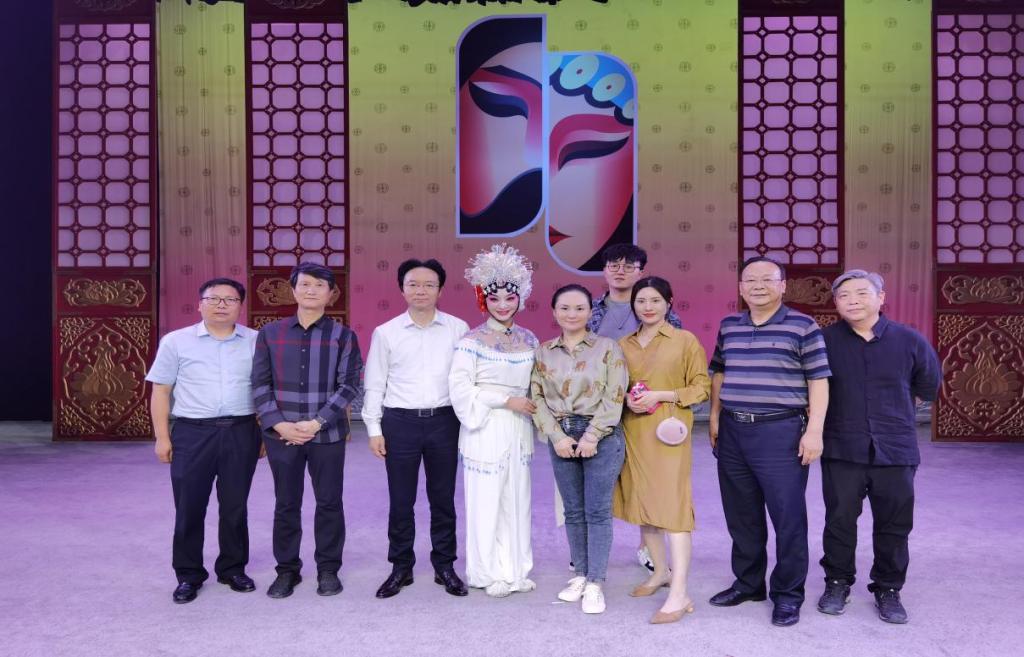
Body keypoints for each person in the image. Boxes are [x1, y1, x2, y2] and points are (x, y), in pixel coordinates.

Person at [708, 257, 831, 627]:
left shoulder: (803, 326)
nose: (758, 286)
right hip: (733, 430)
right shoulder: (729, 325)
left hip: (780, 432)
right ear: (741, 287)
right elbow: (719, 371)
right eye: (750, 280)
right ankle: (749, 584)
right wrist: (714, 417)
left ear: (782, 286)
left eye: (767, 279)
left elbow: (818, 380)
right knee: (741, 514)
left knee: (787, 517)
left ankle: (788, 595)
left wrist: (814, 431)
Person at [816, 270, 940, 624]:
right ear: (836, 303)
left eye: (862, 293)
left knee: (894, 523)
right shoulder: (823, 341)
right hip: (841, 447)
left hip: (896, 448)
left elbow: (928, 385)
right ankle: (837, 583)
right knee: (839, 520)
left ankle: (888, 588)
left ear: (881, 297)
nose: (853, 300)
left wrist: (895, 409)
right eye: (844, 295)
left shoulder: (909, 340)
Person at [252, 262, 363, 599]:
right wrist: (279, 423)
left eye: (319, 285)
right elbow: (259, 383)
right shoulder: (270, 334)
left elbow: (349, 386)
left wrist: (317, 422)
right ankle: (287, 570)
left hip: (326, 434)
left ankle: (328, 569)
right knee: (286, 503)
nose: (311, 290)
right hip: (282, 435)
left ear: (331, 294)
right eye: (305, 284)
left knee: (329, 502)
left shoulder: (344, 336)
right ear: (294, 290)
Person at [147, 278, 261, 604]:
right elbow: (161, 390)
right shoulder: (176, 342)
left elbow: (264, 390)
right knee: (189, 506)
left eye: (230, 299)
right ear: (200, 304)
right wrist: (161, 437)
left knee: (235, 506)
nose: (222, 305)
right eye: (214, 298)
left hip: (242, 430)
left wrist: (263, 432)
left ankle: (232, 569)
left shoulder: (256, 341)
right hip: (192, 433)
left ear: (240, 306)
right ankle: (188, 575)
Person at [362, 258, 470, 599]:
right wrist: (374, 428)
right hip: (400, 423)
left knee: (443, 498)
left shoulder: (458, 329)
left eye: (428, 284)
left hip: (444, 421)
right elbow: (375, 382)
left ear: (440, 289)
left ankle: (444, 565)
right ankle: (401, 567)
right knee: (401, 499)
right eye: (413, 284)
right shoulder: (386, 332)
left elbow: (468, 380)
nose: (421, 290)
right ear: (402, 288)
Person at [612, 276, 711, 624]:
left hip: (669, 432)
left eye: (655, 300)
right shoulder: (622, 344)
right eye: (641, 301)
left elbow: (702, 387)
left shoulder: (684, 341)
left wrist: (662, 395)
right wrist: (626, 398)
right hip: (633, 430)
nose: (648, 307)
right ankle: (660, 572)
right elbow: (614, 386)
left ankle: (680, 592)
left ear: (669, 302)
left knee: (673, 507)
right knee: (644, 505)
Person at [531, 284, 628, 614]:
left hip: (601, 435)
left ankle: (596, 582)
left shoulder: (608, 348)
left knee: (597, 510)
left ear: (590, 312)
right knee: (572, 510)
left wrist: (591, 436)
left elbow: (615, 395)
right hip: (561, 435)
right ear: (554, 312)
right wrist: (557, 437)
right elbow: (536, 398)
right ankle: (581, 574)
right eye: (564, 308)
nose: (572, 314)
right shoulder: (543, 352)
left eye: (579, 308)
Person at [449, 244, 539, 597]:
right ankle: (486, 572)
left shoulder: (529, 338)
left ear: (520, 298)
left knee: (518, 498)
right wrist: (504, 400)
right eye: (494, 298)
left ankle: (516, 570)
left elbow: (538, 384)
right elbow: (460, 388)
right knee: (486, 500)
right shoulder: (471, 340)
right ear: (482, 299)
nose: (503, 305)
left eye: (510, 298)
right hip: (486, 424)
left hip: (519, 427)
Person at [587, 242, 682, 573]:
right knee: (596, 480)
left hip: (647, 408)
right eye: (613, 265)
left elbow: (677, 357)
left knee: (649, 481)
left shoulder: (655, 308)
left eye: (629, 266)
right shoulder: (589, 310)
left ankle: (648, 547)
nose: (620, 271)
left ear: (641, 272)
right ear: (604, 270)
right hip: (599, 408)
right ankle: (588, 548)